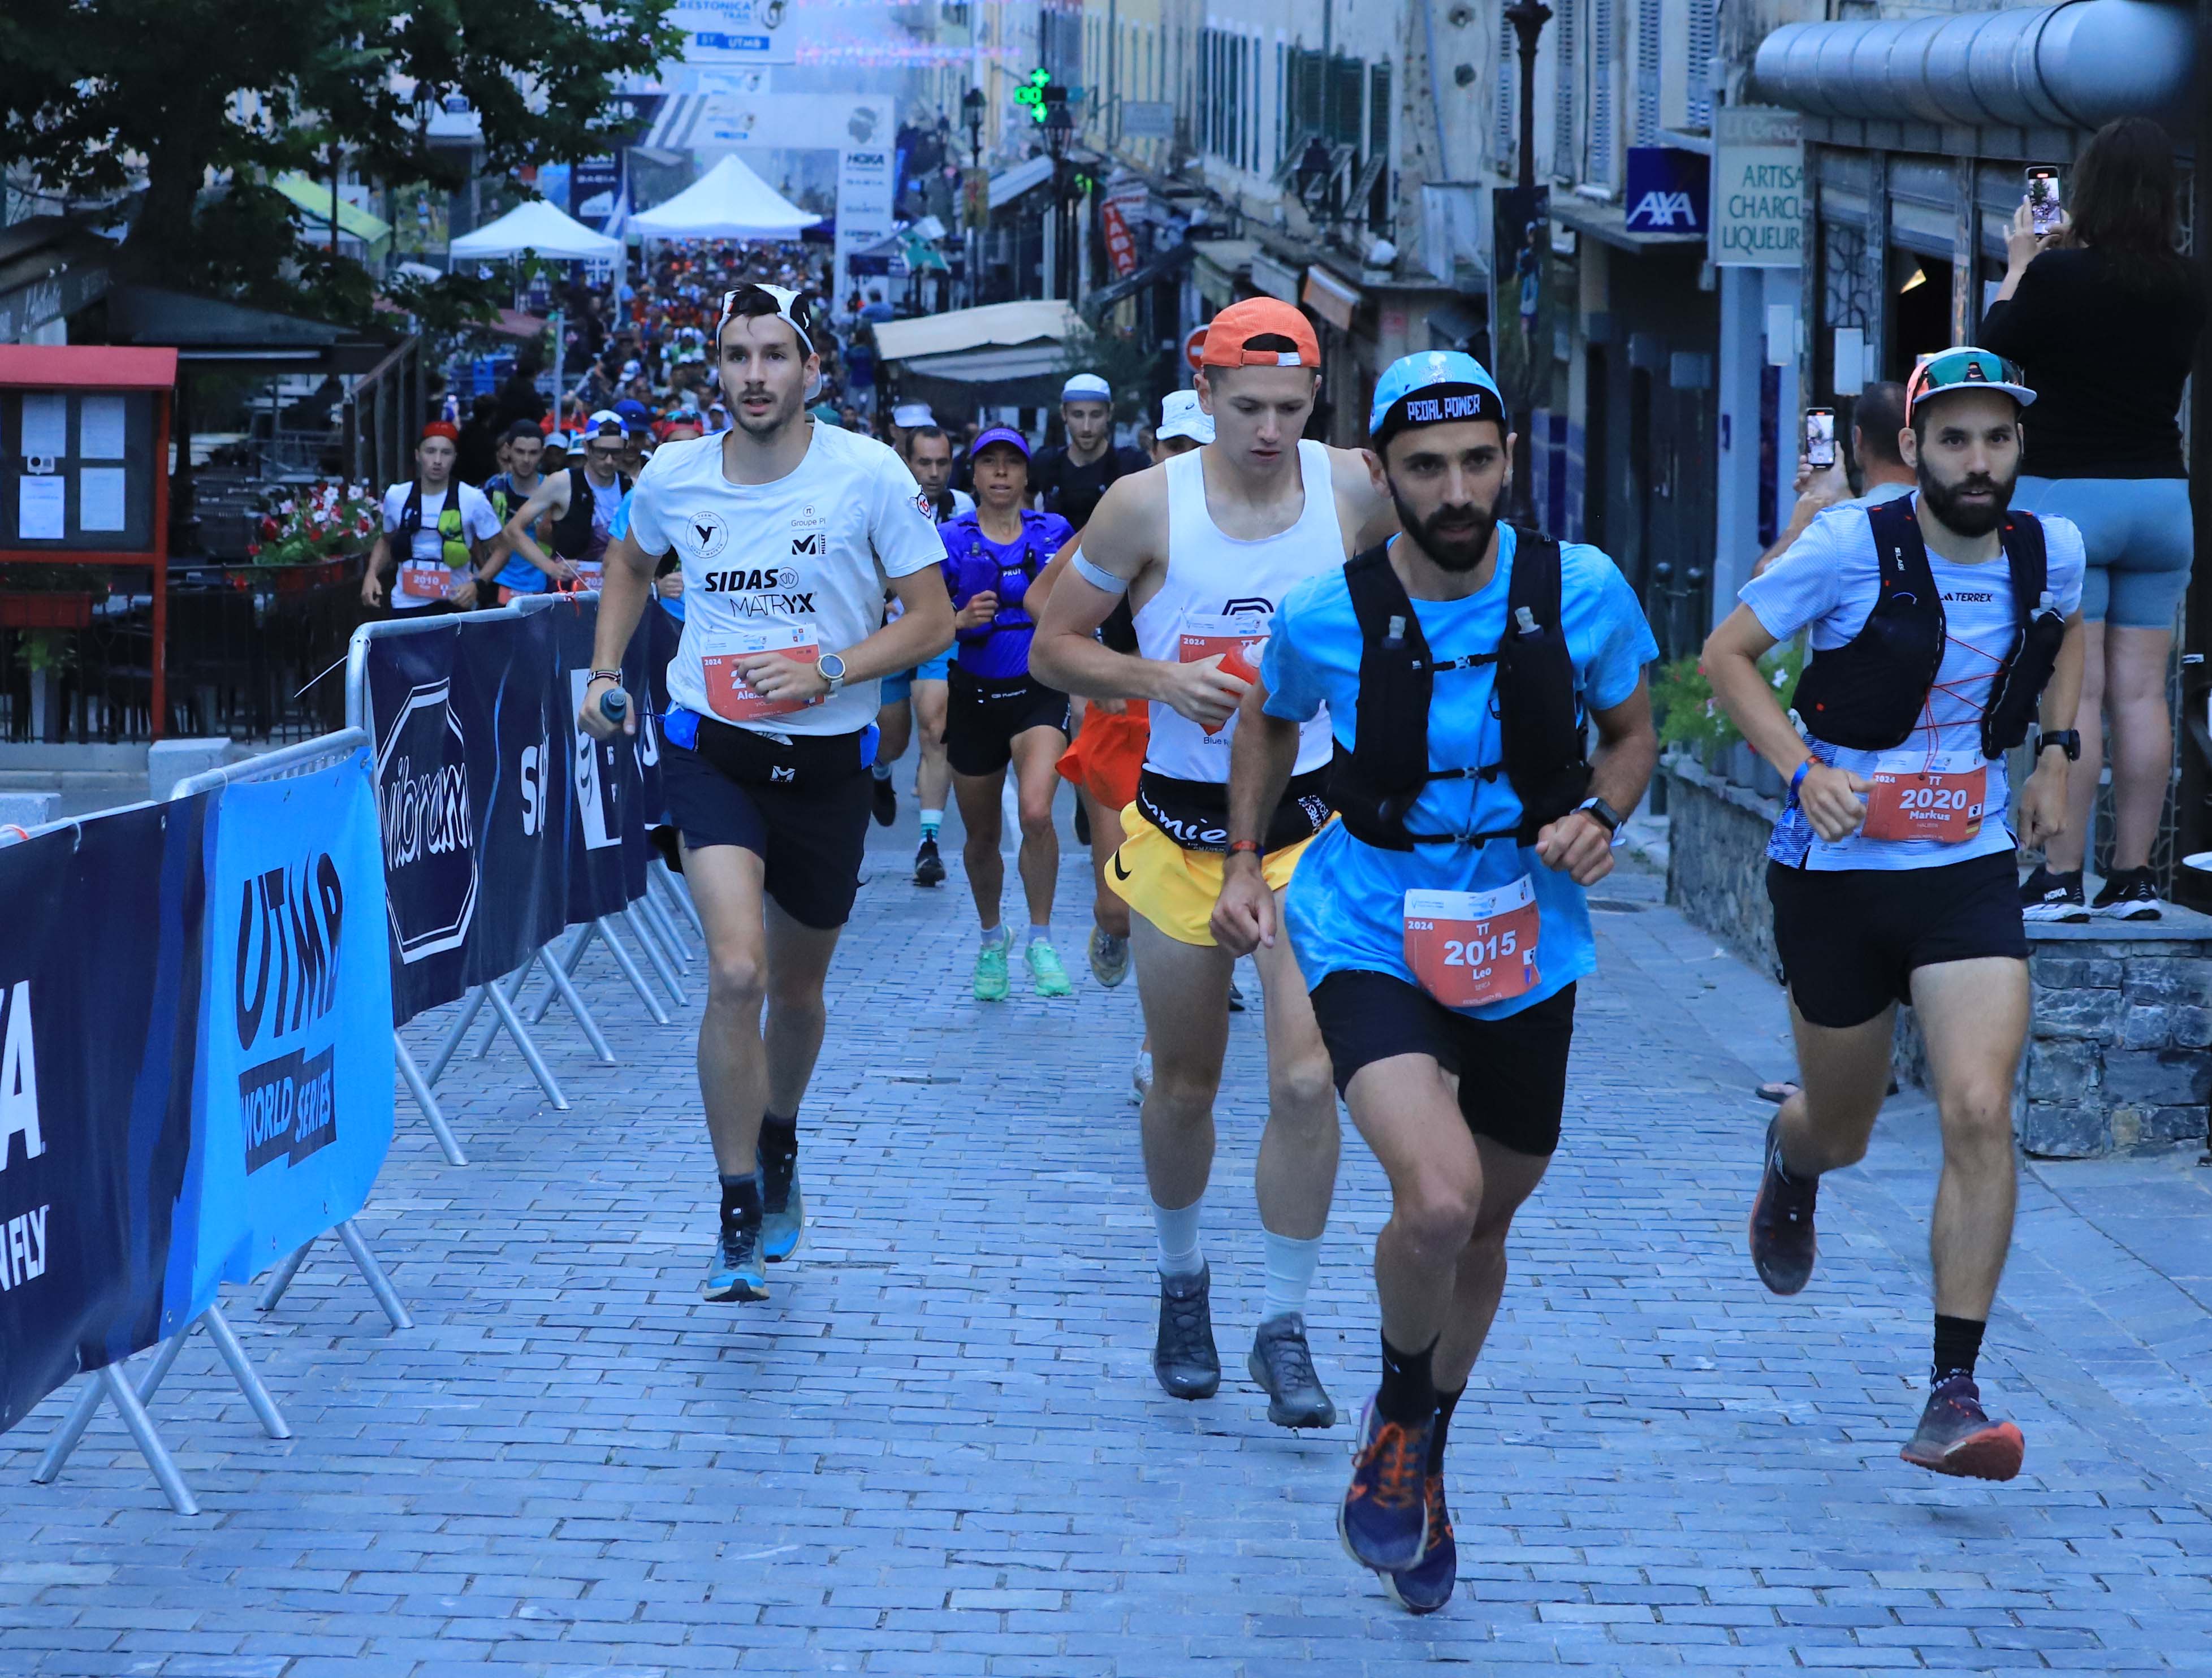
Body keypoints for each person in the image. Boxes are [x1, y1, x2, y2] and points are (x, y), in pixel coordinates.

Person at [1215, 350, 1659, 1614]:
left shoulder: (1582, 589)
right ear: (1382, 473)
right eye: (1424, 467)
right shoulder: (1326, 611)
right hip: (1370, 924)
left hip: (1527, 938)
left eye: (1475, 462)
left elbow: (1632, 734)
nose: (1455, 491)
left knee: (1485, 1224)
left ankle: (1424, 1448)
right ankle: (1401, 1416)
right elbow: (1267, 718)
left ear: (1507, 458)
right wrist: (1244, 859)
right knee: (1440, 1200)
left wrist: (1603, 815)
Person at [1702, 347, 2086, 1482]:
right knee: (1845, 1126)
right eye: (1954, 439)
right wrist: (1798, 768)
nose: (1977, 462)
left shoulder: (2047, 549)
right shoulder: (1847, 546)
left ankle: (1952, 1390)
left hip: (1964, 864)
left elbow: (2065, 632)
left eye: (1997, 439)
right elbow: (1726, 656)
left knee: (1977, 1106)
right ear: (1912, 447)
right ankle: (1793, 1158)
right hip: (1835, 871)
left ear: (2018, 450)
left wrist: (2055, 755)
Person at [1030, 297, 1396, 1430]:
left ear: (1317, 398)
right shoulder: (1148, 504)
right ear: (1205, 394)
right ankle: (1181, 1280)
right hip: (1178, 830)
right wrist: (1158, 681)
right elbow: (1052, 643)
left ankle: (1284, 1322)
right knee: (1185, 1085)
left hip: (1311, 832)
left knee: (1305, 1080)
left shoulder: (1352, 489)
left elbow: (1419, 599)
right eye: (1247, 408)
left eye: (1291, 407)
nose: (1270, 431)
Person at [580, 283, 955, 1305]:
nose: (755, 375)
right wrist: (606, 671)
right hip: (713, 753)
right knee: (737, 971)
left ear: (811, 372)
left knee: (795, 991)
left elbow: (931, 621)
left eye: (775, 355)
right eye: (737, 355)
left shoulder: (869, 475)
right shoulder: (674, 474)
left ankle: (779, 1135)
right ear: (717, 369)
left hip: (828, 769)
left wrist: (829, 670)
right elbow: (628, 562)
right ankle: (736, 1205)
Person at [1984, 118, 2207, 923]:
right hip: (2160, 499)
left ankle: (2059, 876)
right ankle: (2135, 877)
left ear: (2088, 188)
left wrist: (2022, 262)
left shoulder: (2057, 276)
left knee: (2074, 694)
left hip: (2068, 500)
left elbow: (1993, 348)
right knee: (2142, 695)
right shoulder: (2187, 282)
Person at [939, 429, 1078, 998]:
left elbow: (1089, 596)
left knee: (1037, 812)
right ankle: (993, 938)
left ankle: (1041, 939)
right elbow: (917, 620)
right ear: (972, 475)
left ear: (1026, 475)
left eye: (1011, 464)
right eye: (989, 463)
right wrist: (958, 620)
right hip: (974, 695)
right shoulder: (949, 539)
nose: (1001, 473)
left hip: (1038, 690)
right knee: (982, 836)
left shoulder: (1054, 532)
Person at [874, 423, 969, 877]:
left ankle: (928, 843)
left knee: (936, 728)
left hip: (939, 635)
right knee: (891, 742)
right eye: (924, 463)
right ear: (906, 463)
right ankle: (880, 773)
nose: (933, 472)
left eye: (942, 463)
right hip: (890, 638)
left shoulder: (963, 508)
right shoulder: (882, 502)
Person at [1752, 383, 1916, 579]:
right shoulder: (1935, 514)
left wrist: (1798, 527)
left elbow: (1761, 585)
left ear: (1858, 439)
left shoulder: (1835, 529)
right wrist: (1840, 496)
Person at [360, 422, 500, 613]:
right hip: (405, 604)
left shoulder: (473, 498)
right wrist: (371, 574)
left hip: (454, 602)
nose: (438, 460)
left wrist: (478, 583)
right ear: (418, 455)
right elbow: (386, 540)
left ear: (455, 457)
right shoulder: (397, 495)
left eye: (446, 453)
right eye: (431, 451)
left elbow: (502, 549)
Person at [499, 411, 633, 593]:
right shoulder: (562, 482)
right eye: (602, 452)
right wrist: (550, 567)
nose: (609, 461)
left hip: (614, 589)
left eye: (616, 453)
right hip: (569, 592)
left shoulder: (631, 485)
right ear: (587, 448)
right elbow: (513, 530)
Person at [1029, 373, 1150, 531]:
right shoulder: (1045, 463)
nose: (1086, 427)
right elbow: (1022, 499)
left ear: (1110, 413)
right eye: (1078, 415)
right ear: (1064, 414)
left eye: (1096, 415)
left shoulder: (1132, 465)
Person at [479, 421, 555, 604]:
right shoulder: (492, 490)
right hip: (498, 584)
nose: (526, 459)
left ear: (543, 453)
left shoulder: (556, 489)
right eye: (520, 451)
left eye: (533, 453)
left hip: (545, 583)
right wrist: (482, 572)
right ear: (508, 450)